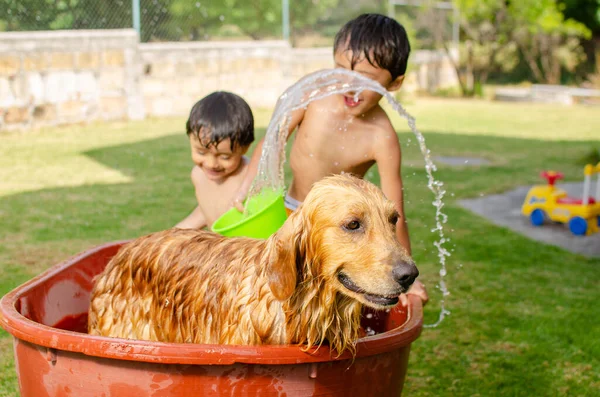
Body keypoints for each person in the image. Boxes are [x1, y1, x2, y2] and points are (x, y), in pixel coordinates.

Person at [234, 13, 428, 303]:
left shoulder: (382, 136)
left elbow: (392, 213)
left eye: (366, 79)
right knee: (273, 292)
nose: (349, 85)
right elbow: (273, 139)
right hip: (291, 215)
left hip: (345, 230)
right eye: (341, 71)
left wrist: (408, 277)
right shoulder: (313, 96)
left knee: (333, 298)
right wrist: (247, 188)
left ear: (394, 83)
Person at [176, 91, 254, 230]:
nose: (211, 164)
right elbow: (207, 211)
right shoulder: (198, 175)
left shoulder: (250, 177)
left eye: (224, 156)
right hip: (219, 250)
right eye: (201, 152)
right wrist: (172, 235)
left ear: (245, 147)